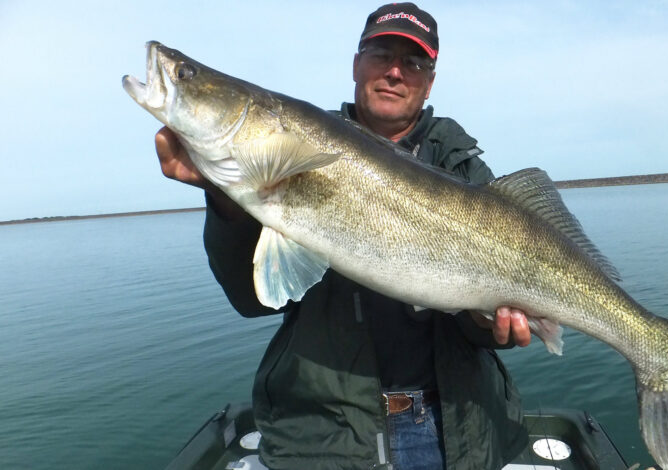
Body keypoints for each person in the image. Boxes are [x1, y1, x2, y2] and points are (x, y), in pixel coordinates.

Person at [154, 3, 532, 469]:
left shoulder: (462, 167)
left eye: (413, 63)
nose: (395, 72)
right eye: (380, 55)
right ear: (356, 64)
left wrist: (490, 325)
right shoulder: (297, 146)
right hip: (328, 438)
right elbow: (253, 300)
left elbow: (487, 332)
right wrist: (224, 199)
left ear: (429, 82)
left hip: (456, 431)